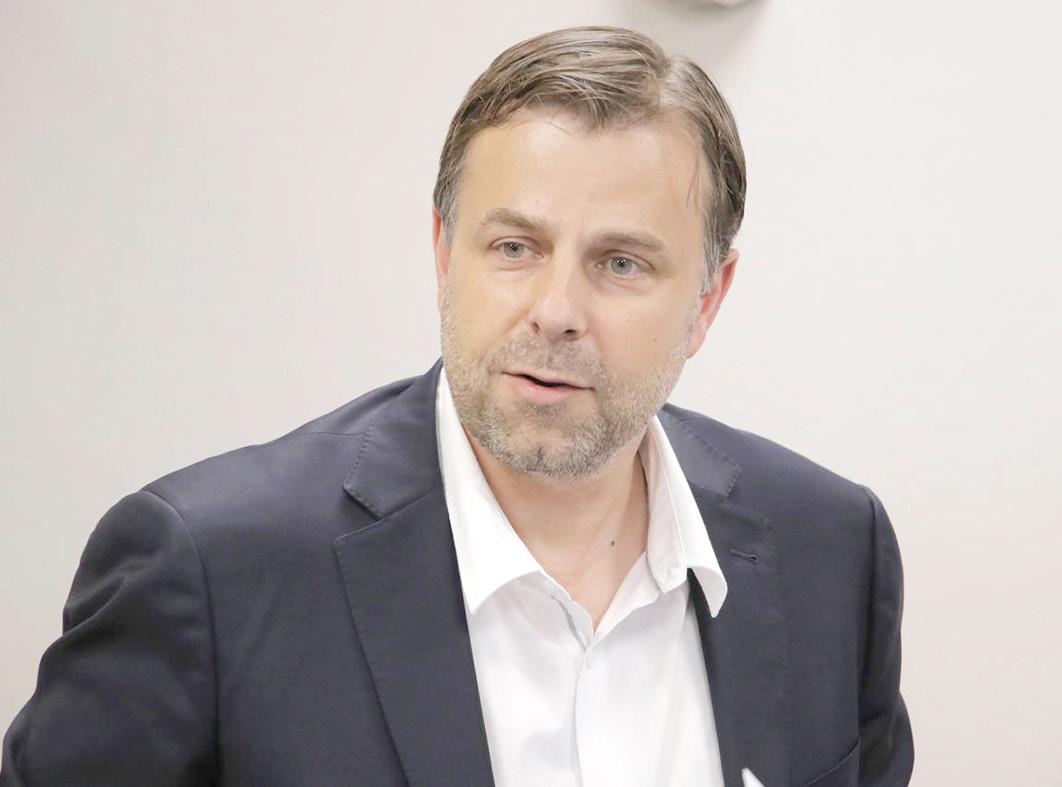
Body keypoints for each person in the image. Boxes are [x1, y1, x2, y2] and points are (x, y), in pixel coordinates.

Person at [0, 25, 913, 787]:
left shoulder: (833, 548)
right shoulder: (208, 569)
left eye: (621, 262)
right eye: (515, 247)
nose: (556, 311)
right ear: (444, 254)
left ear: (708, 299)